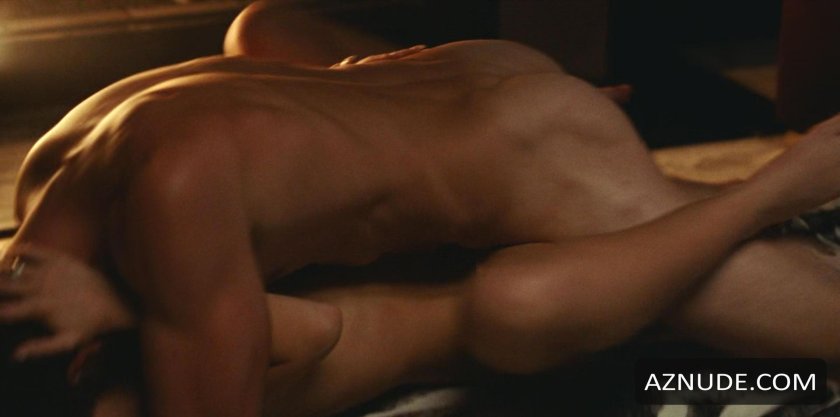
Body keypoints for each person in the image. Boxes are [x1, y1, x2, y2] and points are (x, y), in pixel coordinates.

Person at [2, 2, 840, 416]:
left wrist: (125, 314)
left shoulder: (173, 207)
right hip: (473, 76)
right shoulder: (50, 168)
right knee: (257, 31)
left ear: (80, 365)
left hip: (526, 155)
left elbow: (301, 340)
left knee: (818, 325)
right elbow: (263, 23)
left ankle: (791, 185)